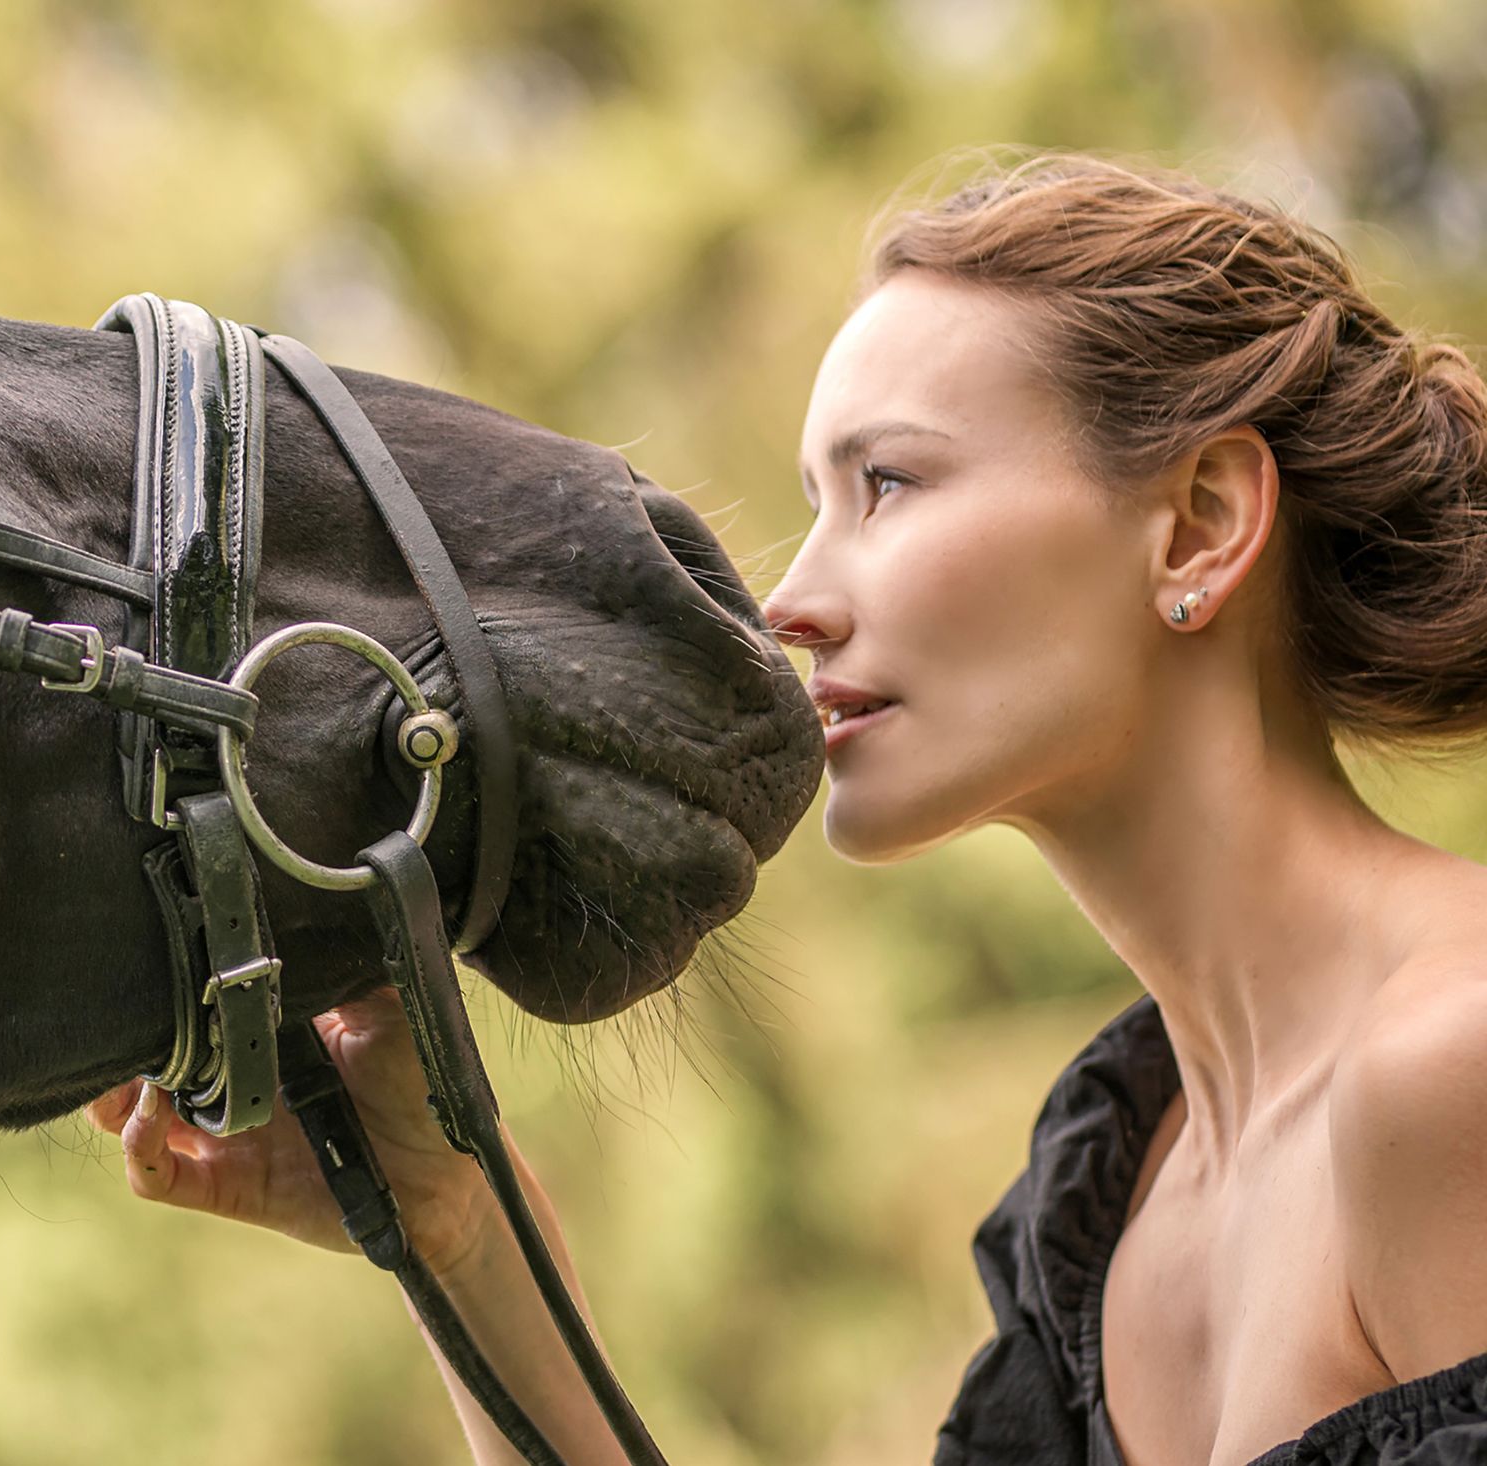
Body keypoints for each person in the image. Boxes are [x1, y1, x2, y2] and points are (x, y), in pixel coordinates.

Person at [85, 153, 1487, 1465]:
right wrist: (457, 1230)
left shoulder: (1452, 1069)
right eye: (821, 499)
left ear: (1200, 521)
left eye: (890, 482)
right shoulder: (1112, 1202)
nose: (790, 602)